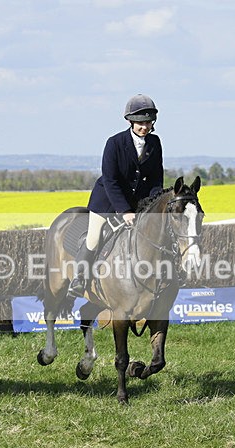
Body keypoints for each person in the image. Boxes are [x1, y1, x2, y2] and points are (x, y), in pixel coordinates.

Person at [67, 94, 165, 297]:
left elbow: (156, 179)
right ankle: (79, 279)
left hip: (138, 203)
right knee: (95, 236)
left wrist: (153, 207)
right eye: (140, 123)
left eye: (147, 122)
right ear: (130, 121)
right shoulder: (114, 143)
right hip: (108, 201)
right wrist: (125, 211)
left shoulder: (155, 143)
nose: (144, 127)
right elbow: (111, 181)